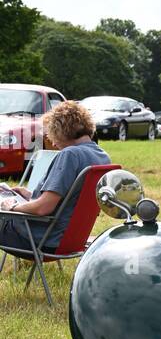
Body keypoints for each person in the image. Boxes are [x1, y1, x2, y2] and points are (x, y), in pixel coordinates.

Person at [0, 101, 111, 251]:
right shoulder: (102, 157)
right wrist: (30, 195)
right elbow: (69, 201)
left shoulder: (70, 155)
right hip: (71, 239)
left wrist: (13, 206)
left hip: (39, 239)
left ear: (61, 130)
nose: (52, 142)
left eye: (52, 134)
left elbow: (44, 208)